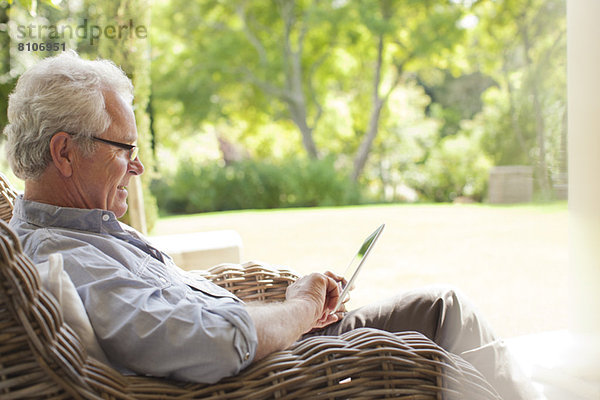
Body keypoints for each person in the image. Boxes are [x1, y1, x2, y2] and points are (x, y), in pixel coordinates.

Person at [3, 51, 539, 399]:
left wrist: (291, 306)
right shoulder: (66, 259)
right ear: (65, 153)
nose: (138, 167)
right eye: (126, 149)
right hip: (277, 377)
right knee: (440, 311)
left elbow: (183, 313)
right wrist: (300, 311)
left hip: (278, 350)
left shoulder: (85, 232)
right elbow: (207, 342)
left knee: (439, 310)